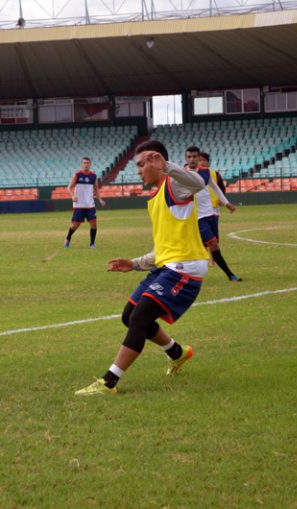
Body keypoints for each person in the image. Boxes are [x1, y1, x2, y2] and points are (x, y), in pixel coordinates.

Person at [75, 140, 209, 396]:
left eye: (140, 164)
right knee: (129, 315)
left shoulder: (175, 185)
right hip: (167, 266)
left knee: (140, 318)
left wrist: (167, 166)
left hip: (185, 268)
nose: (137, 171)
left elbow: (199, 183)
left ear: (155, 160)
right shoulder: (157, 196)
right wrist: (135, 263)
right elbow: (163, 248)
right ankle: (177, 353)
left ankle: (109, 382)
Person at [184, 146, 241, 282]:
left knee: (209, 244)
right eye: (189, 157)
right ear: (186, 159)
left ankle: (191, 271)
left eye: (194, 156)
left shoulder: (205, 172)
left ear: (198, 158)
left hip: (210, 214)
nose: (191, 159)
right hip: (196, 217)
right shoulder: (182, 174)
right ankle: (230, 274)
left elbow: (215, 188)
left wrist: (227, 203)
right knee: (213, 243)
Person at [64, 157, 106, 248]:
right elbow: (69, 187)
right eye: (84, 163)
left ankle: (92, 244)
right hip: (79, 204)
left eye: (87, 163)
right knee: (75, 224)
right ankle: (68, 238)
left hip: (90, 204)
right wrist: (73, 196)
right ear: (82, 164)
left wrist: (100, 199)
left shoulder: (93, 176)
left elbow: (96, 189)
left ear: (90, 164)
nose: (86, 164)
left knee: (94, 223)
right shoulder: (77, 175)